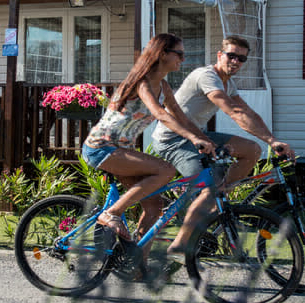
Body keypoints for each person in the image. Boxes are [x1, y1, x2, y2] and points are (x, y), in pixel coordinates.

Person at [152, 35, 293, 252]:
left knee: (252, 150)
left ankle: (217, 202)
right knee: (210, 188)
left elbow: (248, 112)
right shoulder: (207, 76)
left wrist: (273, 140)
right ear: (220, 55)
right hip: (173, 140)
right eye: (231, 55)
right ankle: (180, 243)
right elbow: (234, 113)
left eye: (241, 59)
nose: (235, 61)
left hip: (197, 135)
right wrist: (270, 140)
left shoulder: (228, 83)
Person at [80, 33, 215, 257]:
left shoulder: (163, 86)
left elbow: (182, 119)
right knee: (166, 170)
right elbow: (160, 114)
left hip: (120, 151)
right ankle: (112, 213)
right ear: (163, 54)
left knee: (154, 207)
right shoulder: (141, 83)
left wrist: (207, 140)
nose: (183, 59)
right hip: (101, 148)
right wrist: (192, 139)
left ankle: (136, 265)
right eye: (179, 54)